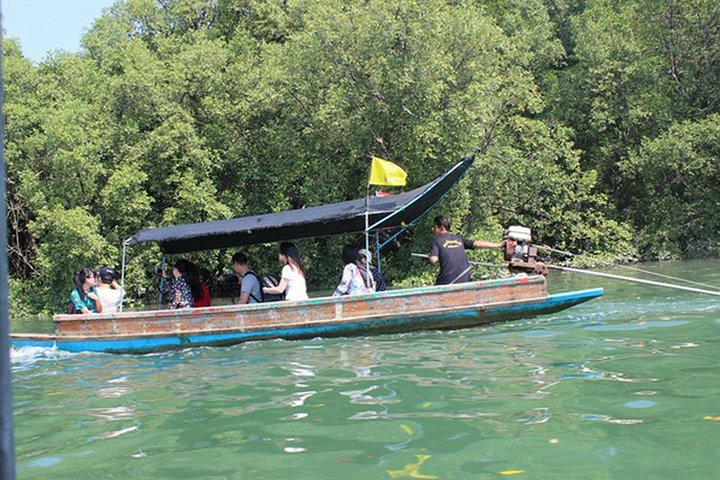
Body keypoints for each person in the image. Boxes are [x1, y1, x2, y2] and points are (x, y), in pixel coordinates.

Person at [428, 215, 504, 285]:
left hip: (447, 282)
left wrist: (431, 255)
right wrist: (498, 245)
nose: (433, 230)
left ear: (441, 228)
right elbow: (477, 243)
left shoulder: (436, 241)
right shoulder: (459, 238)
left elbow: (434, 260)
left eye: (434, 227)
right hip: (465, 280)